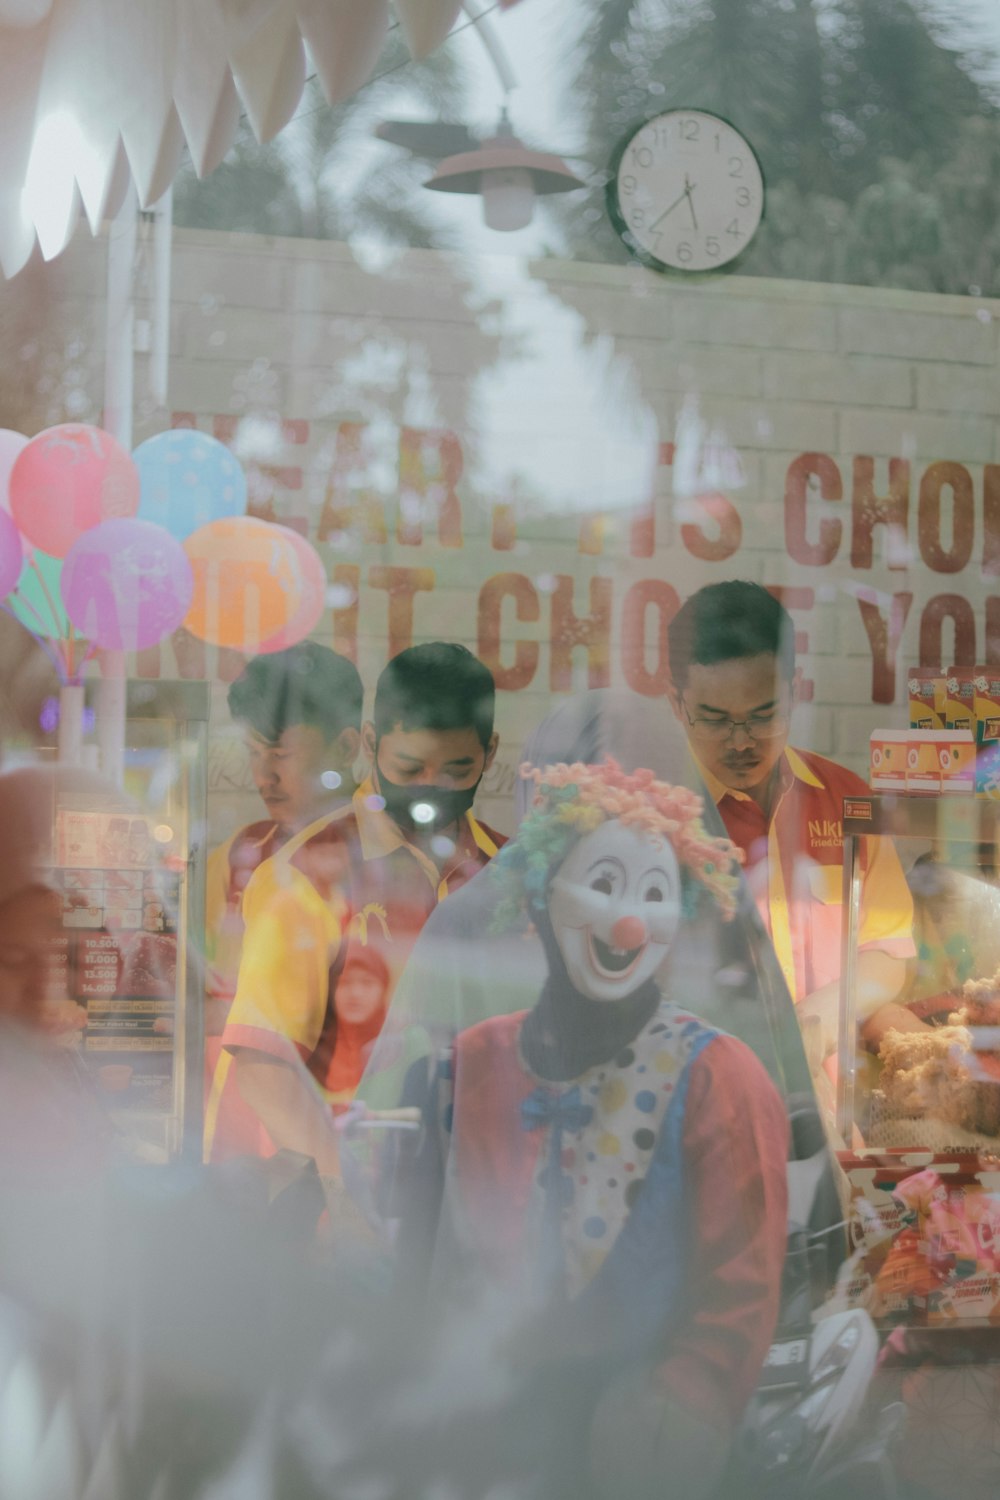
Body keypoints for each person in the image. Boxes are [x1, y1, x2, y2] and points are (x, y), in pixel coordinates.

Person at [386, 759, 789, 1500]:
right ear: (539, 897)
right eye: (602, 885)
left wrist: (679, 1409)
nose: (628, 919)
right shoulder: (465, 1070)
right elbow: (414, 1269)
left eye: (655, 894)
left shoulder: (721, 1081)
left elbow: (740, 1291)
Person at [207, 642, 504, 1172]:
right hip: (327, 1187)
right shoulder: (309, 874)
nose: (431, 789)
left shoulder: (511, 872)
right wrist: (345, 1191)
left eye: (458, 769)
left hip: (460, 1186)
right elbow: (263, 1066)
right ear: (369, 744)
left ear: (491, 753)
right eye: (409, 767)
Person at [666, 580, 916, 1076]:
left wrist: (820, 1014)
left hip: (833, 1102)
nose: (742, 743)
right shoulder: (656, 816)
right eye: (715, 720)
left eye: (764, 716)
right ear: (678, 706)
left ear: (797, 691)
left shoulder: (846, 799)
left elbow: (888, 952)